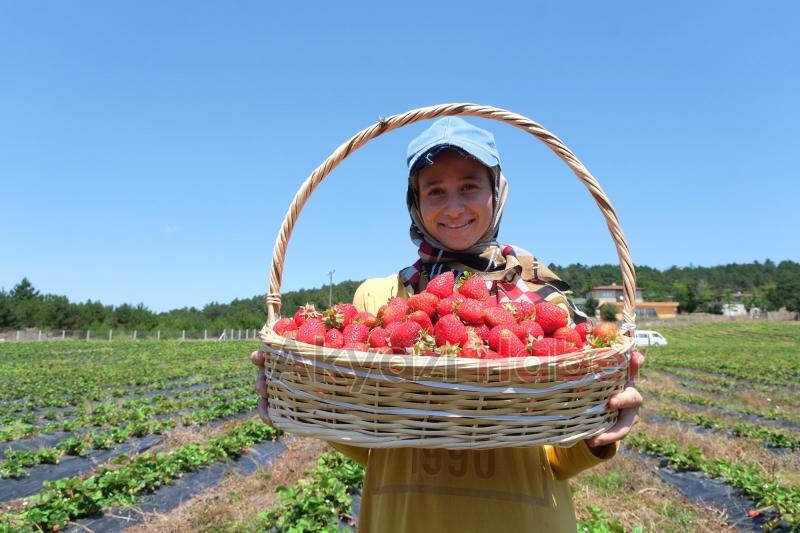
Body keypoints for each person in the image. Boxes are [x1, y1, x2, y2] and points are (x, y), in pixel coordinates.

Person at [253, 117, 644, 532]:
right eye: (435, 191)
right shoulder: (378, 300)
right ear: (415, 203)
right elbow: (367, 438)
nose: (454, 207)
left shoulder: (546, 300)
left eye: (470, 186)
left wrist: (597, 434)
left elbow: (559, 455)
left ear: (497, 191)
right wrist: (309, 396)